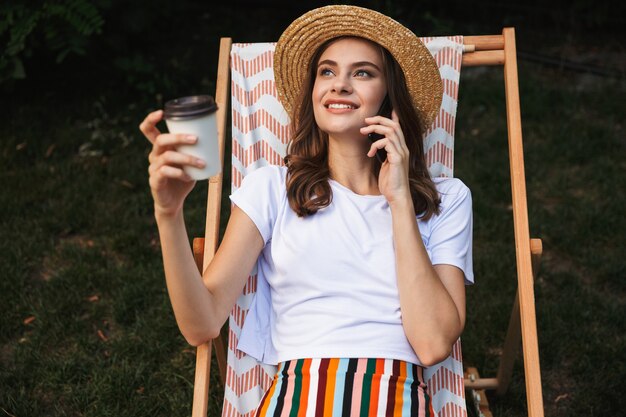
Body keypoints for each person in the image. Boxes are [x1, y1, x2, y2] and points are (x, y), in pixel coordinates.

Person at [139, 5, 472, 416]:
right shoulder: (272, 189)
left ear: (391, 99)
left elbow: (434, 343)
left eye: (363, 73)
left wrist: (400, 201)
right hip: (298, 400)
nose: (340, 85)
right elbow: (202, 324)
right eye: (327, 72)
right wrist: (168, 214)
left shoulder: (446, 199)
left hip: (396, 400)